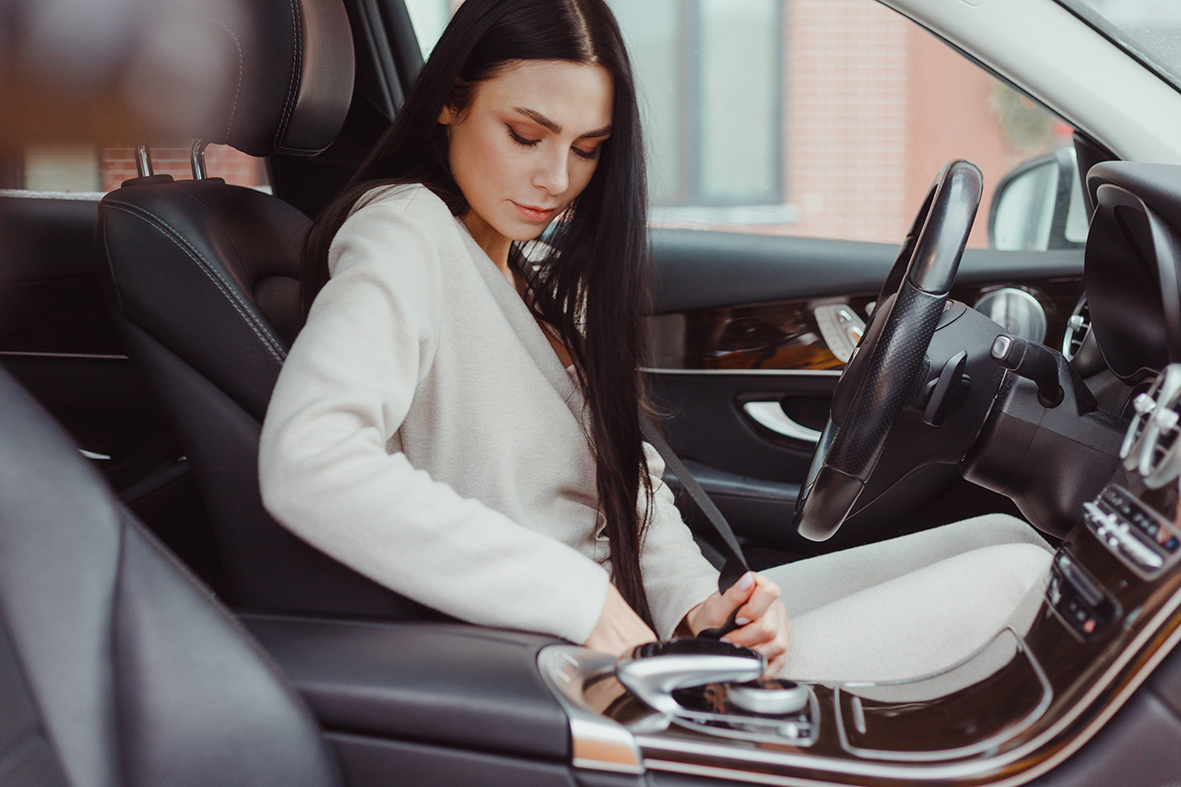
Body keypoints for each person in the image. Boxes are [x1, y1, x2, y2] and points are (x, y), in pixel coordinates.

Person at [259, 0, 1052, 683]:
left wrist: (701, 607)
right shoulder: (405, 229)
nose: (557, 180)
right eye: (525, 134)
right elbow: (310, 456)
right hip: (571, 668)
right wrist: (579, 601)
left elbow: (626, 500)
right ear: (449, 103)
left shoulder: (521, 268)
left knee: (1005, 533)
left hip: (647, 638)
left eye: (587, 148)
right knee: (1021, 575)